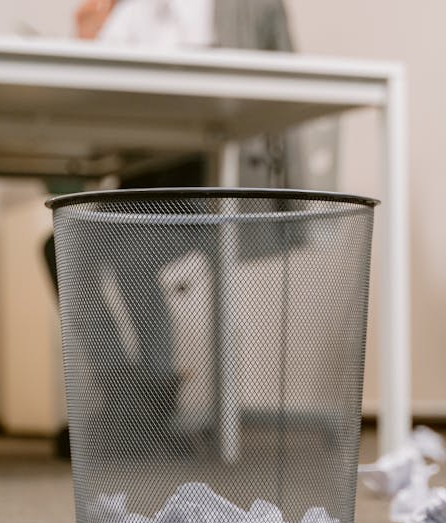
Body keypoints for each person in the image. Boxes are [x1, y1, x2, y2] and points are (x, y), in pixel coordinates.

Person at [44, 0, 301, 457]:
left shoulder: (243, 8)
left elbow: (284, 89)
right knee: (65, 242)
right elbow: (95, 103)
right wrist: (87, 43)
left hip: (213, 177)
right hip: (144, 175)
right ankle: (132, 389)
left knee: (128, 246)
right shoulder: (124, 12)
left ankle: (147, 402)